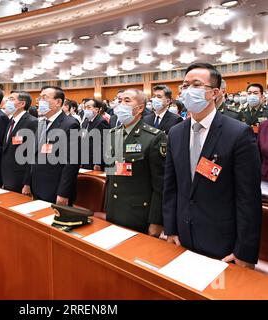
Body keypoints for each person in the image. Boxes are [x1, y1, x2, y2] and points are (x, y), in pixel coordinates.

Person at [163, 62, 261, 268]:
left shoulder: (237, 133)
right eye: (185, 85)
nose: (188, 91)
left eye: (196, 85)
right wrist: (170, 229)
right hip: (182, 238)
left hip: (222, 244)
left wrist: (244, 251)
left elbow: (248, 198)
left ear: (215, 92)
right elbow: (171, 187)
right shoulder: (176, 133)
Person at [104, 89, 167, 235]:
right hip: (114, 208)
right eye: (120, 101)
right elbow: (110, 174)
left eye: (127, 101)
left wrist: (156, 221)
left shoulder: (154, 137)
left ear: (140, 108)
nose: (121, 105)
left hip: (138, 213)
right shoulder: (113, 134)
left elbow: (160, 185)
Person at [23, 86, 80, 205]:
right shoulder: (41, 122)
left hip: (55, 188)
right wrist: (27, 183)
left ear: (58, 102)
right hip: (37, 185)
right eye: (39, 98)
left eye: (45, 98)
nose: (39, 101)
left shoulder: (71, 124)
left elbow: (72, 162)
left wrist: (63, 193)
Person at [0, 91, 38, 193]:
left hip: (20, 176)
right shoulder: (11, 121)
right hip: (7, 174)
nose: (7, 102)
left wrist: (27, 182)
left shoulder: (32, 122)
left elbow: (32, 155)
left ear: (22, 104)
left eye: (11, 99)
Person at [80, 99, 109, 171]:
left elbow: (103, 144)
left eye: (89, 107)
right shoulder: (86, 121)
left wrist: (98, 163)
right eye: (85, 107)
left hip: (93, 161)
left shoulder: (101, 122)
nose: (86, 109)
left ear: (96, 109)